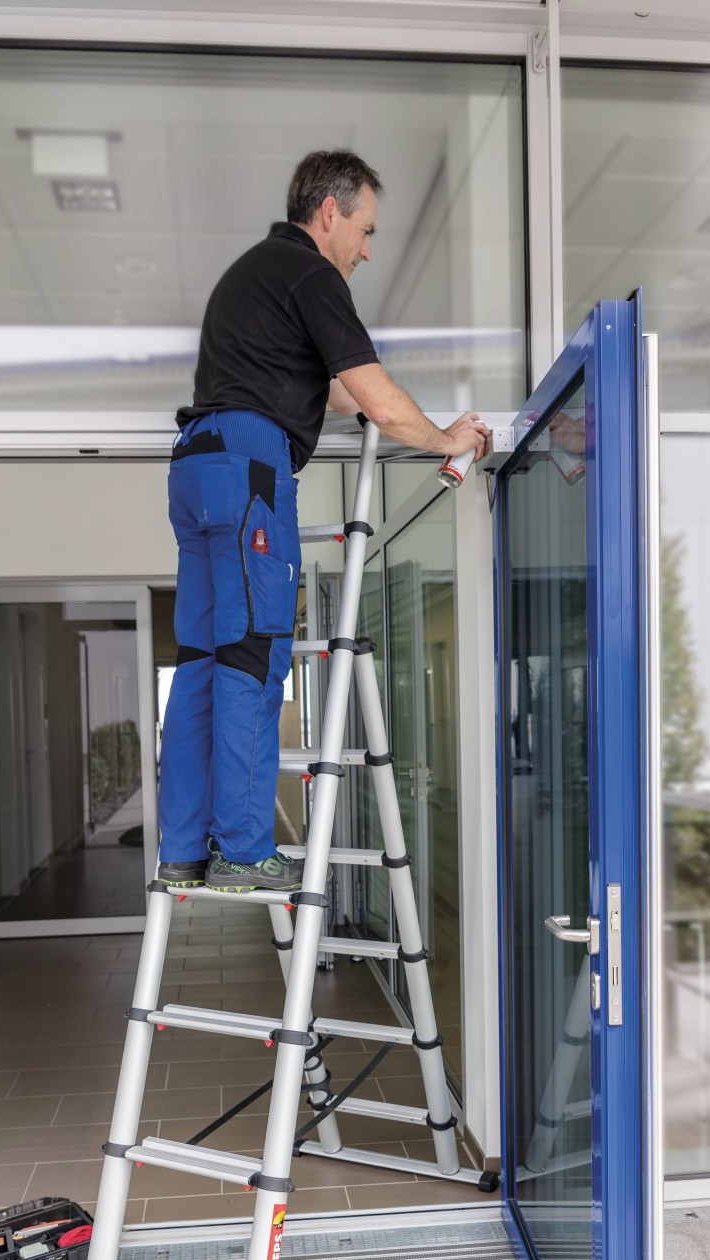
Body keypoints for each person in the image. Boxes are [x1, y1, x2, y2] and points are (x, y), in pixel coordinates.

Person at [158, 149, 492, 893]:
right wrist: (445, 438)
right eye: (367, 230)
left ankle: (182, 847)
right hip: (248, 467)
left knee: (203, 661)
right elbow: (372, 394)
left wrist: (407, 416)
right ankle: (244, 853)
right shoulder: (311, 273)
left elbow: (336, 392)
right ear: (330, 212)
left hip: (197, 466)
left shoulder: (256, 273)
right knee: (253, 655)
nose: (369, 249)